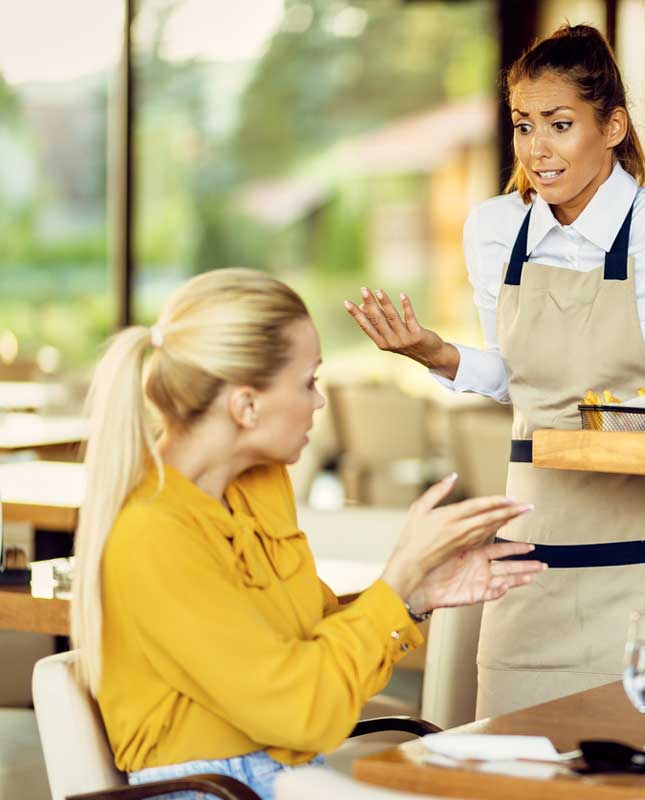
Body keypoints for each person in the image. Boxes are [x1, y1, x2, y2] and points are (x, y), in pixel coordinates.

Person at [344, 24, 645, 717]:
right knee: (511, 767)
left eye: (560, 125)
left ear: (613, 126)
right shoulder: (494, 229)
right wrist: (431, 352)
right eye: (523, 126)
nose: (538, 148)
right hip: (529, 562)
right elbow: (519, 377)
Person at [71, 268, 545, 799]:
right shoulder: (152, 533)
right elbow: (303, 712)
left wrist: (413, 596)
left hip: (288, 778)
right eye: (308, 381)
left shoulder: (256, 487)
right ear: (245, 405)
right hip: (211, 791)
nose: (319, 402)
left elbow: (312, 649)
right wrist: (400, 572)